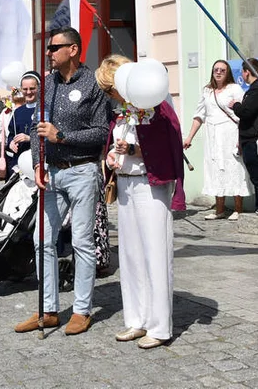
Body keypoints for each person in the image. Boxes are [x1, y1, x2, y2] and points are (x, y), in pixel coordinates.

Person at [15, 28, 113, 336]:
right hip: (51, 172)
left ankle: (82, 310)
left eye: (54, 48)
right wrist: (36, 164)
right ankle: (48, 309)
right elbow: (35, 128)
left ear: (72, 50)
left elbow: (101, 132)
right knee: (41, 240)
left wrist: (63, 136)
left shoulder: (93, 85)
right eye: (47, 48)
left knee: (82, 242)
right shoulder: (48, 85)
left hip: (82, 171)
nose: (48, 53)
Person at [95, 55, 183, 349]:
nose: (110, 96)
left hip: (150, 185)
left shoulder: (157, 107)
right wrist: (112, 156)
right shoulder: (123, 113)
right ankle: (137, 320)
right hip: (125, 185)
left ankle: (159, 326)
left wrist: (133, 148)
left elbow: (166, 146)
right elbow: (117, 144)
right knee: (131, 256)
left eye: (110, 89)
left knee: (155, 254)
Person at [183, 60, 249, 220]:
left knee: (234, 168)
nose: (218, 72)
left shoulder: (234, 88)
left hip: (230, 132)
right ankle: (219, 209)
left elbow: (243, 115)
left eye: (222, 70)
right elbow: (199, 115)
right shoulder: (207, 91)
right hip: (212, 134)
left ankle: (237, 209)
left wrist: (240, 138)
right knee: (215, 169)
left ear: (228, 73)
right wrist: (189, 137)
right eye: (216, 70)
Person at [229, 58, 258, 215]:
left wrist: (235, 105)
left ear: (246, 71)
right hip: (250, 139)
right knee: (257, 176)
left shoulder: (257, 90)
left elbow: (246, 112)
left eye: (242, 71)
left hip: (255, 139)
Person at [5, 73, 40, 179]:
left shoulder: (45, 109)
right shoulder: (18, 112)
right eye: (25, 89)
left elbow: (50, 136)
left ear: (39, 88)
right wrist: (11, 143)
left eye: (32, 88)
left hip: (39, 162)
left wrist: (30, 138)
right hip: (20, 163)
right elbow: (11, 133)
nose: (28, 92)